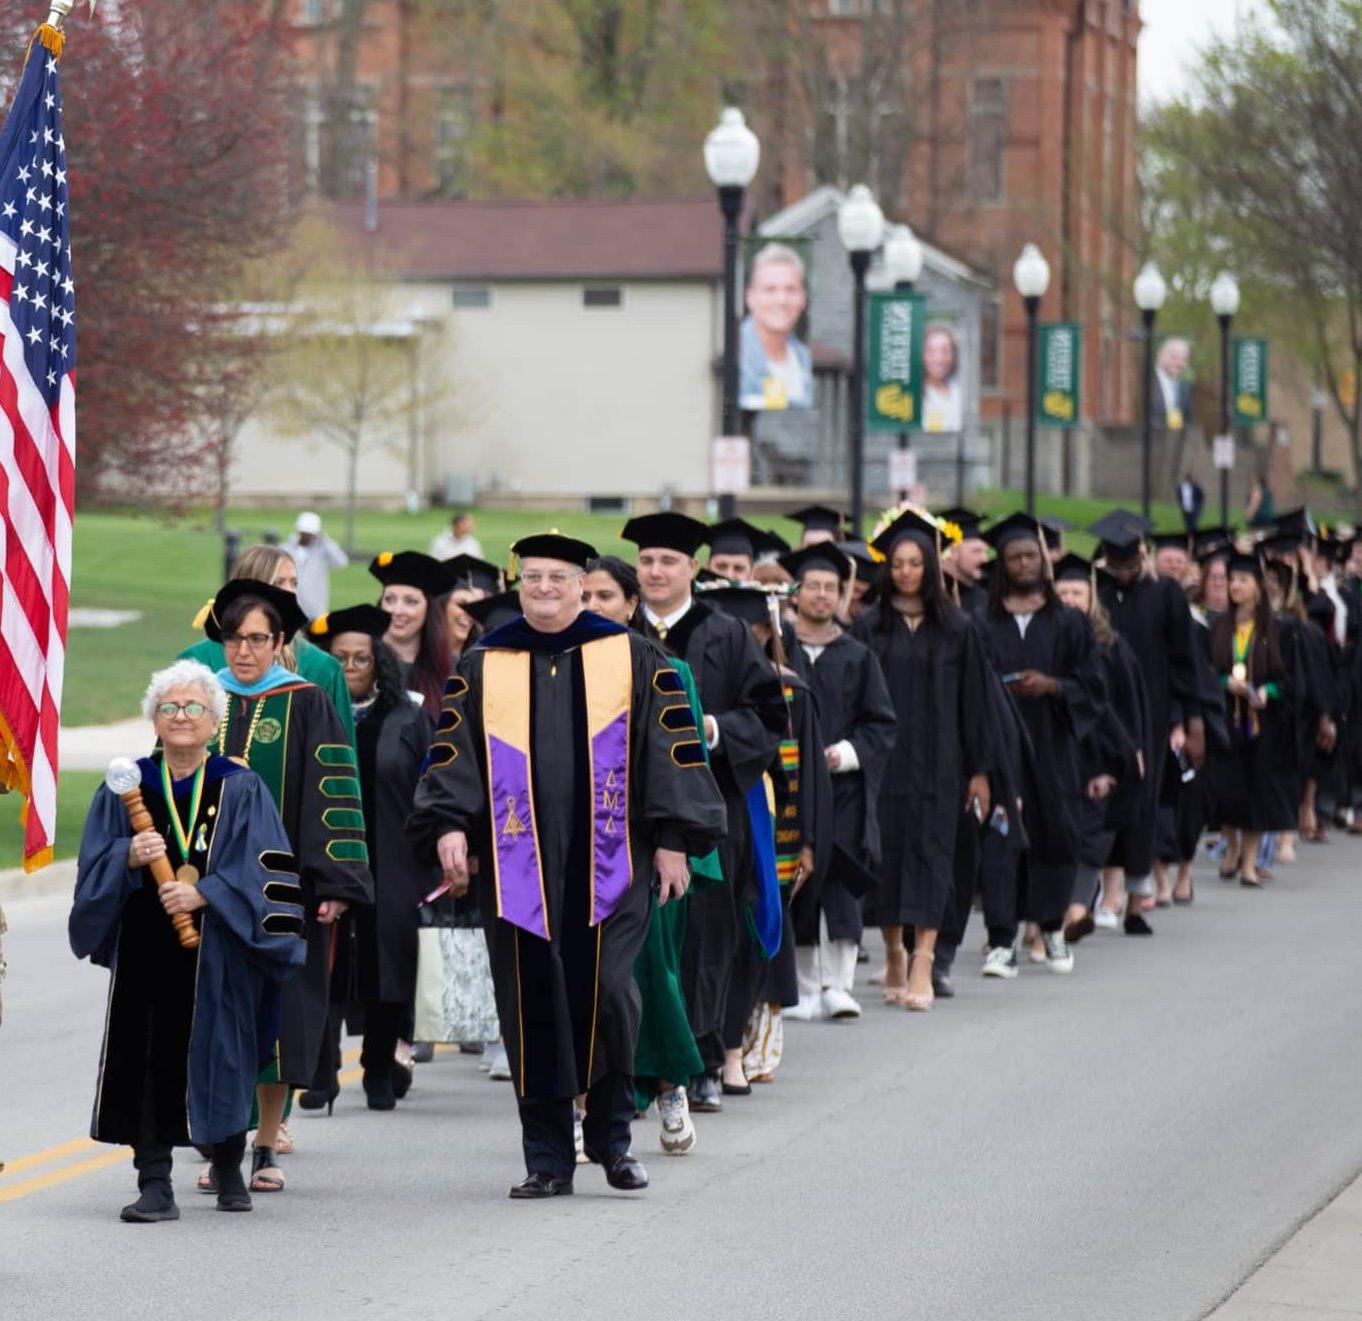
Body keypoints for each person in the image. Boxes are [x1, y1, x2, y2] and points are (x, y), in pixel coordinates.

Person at [407, 533, 727, 1199]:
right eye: (532, 578)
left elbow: (670, 746)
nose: (544, 589)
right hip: (514, 864)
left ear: (583, 585)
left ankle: (612, 1139)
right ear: (519, 584)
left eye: (558, 578)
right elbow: (451, 754)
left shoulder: (633, 655)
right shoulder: (485, 660)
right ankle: (548, 1156)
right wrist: (447, 828)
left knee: (610, 991)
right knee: (531, 1005)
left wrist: (673, 840)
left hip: (612, 866)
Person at [70, 661, 307, 1221]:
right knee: (145, 1056)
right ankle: (154, 1181)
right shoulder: (127, 787)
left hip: (219, 947)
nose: (181, 717)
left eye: (194, 707)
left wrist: (211, 894)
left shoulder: (240, 786)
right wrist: (126, 858)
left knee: (222, 1053)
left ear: (213, 721)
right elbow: (92, 865)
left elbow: (266, 866)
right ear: (154, 717)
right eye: (169, 707)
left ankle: (227, 1164)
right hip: (146, 950)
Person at [202, 578, 374, 1192]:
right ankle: (220, 1142)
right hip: (208, 891)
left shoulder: (305, 702)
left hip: (284, 892)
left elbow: (333, 793)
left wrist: (334, 883)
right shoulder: (202, 700)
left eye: (256, 640)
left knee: (280, 1019)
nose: (243, 652)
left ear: (279, 643)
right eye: (232, 639)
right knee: (215, 1019)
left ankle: (266, 1146)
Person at [622, 511, 785, 1113]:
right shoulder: (616, 633)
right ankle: (643, 1063)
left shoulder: (727, 634)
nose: (657, 571)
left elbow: (770, 718)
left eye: (668, 560)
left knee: (710, 935)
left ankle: (706, 1056)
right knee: (642, 938)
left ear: (694, 567)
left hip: (713, 811)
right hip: (634, 816)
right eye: (647, 561)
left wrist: (714, 728)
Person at [581, 554, 718, 1156]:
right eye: (583, 597)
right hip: (572, 853)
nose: (591, 609)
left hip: (643, 851)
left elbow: (684, 767)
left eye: (604, 597)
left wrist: (675, 844)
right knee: (582, 983)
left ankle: (669, 1087)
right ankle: (588, 1109)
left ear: (633, 605)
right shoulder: (549, 670)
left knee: (648, 976)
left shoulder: (666, 670)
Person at [853, 508, 993, 1011]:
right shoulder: (870, 627)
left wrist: (980, 771)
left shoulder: (958, 629)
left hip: (941, 762)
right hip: (885, 764)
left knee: (934, 858)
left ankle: (923, 960)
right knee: (887, 857)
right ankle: (892, 949)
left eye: (915, 563)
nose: (906, 572)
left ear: (931, 568)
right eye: (898, 563)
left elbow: (976, 704)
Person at [307, 604, 437, 1111]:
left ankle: (380, 1067)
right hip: (329, 859)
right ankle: (321, 1071)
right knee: (327, 965)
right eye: (340, 658)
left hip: (395, 861)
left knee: (388, 968)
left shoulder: (408, 716)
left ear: (378, 662)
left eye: (361, 658)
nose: (351, 667)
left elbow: (431, 786)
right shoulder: (314, 713)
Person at [976, 513, 1105, 976]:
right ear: (1002, 564)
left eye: (1031, 555)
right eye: (1015, 557)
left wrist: (1053, 686)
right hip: (1000, 751)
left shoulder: (1069, 623)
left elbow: (1094, 686)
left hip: (1053, 748)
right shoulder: (983, 623)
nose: (1024, 563)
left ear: (1043, 561)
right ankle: (1001, 941)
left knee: (1056, 835)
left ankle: (1050, 927)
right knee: (1001, 840)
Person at [780, 543, 896, 1021]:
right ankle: (805, 987)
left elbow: (882, 724)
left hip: (842, 791)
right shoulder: (777, 649)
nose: (822, 596)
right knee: (800, 883)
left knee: (841, 888)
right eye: (813, 587)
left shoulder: (857, 655)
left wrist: (845, 754)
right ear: (796, 593)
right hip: (791, 789)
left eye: (830, 588)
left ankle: (839, 985)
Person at [1092, 512, 1199, 936]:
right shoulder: (1096, 592)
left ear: (1143, 555)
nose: (1124, 571)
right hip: (1103, 712)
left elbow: (1183, 661)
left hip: (1150, 716)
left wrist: (1182, 718)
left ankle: (1135, 900)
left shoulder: (1165, 594)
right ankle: (1106, 894)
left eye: (1130, 563)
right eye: (1116, 565)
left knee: (1143, 807)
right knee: (1105, 802)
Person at [181, 543, 355, 745]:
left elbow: (338, 756)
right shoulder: (198, 661)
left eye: (294, 583)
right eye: (279, 582)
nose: (290, 592)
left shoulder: (322, 667)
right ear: (249, 588)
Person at [1207, 554, 1297, 886]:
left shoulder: (1278, 630)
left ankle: (1249, 863)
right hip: (1226, 720)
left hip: (1262, 724)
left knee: (1257, 792)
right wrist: (1223, 683)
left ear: (1258, 587)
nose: (1235, 586)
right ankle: (1231, 848)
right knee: (1227, 791)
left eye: (1243, 580)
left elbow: (1290, 680)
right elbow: (1207, 671)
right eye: (1232, 580)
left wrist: (1266, 692)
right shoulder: (1218, 626)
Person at [368, 550, 452, 719]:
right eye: (390, 599)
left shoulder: (450, 672)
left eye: (410, 602)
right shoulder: (362, 662)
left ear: (428, 610)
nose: (397, 611)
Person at [739, 242, 814, 410]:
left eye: (791, 289)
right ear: (750, 297)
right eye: (770, 290)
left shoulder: (803, 357)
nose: (781, 300)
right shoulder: (733, 354)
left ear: (803, 298)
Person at [282, 512, 348, 619]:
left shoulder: (323, 550)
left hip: (316, 610)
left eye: (310, 533)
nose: (306, 536)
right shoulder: (286, 549)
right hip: (291, 608)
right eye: (304, 532)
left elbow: (341, 562)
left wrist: (327, 541)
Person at [936, 506, 990, 613]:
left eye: (985, 552)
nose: (985, 559)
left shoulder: (985, 596)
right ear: (953, 552)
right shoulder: (933, 597)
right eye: (976, 551)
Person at [922, 324, 964, 433]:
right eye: (931, 352)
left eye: (945, 351)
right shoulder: (913, 395)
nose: (939, 359)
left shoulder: (961, 391)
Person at [1152, 336, 1194, 431]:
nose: (1180, 363)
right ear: (1159, 355)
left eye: (1184, 359)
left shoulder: (1185, 387)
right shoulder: (1144, 382)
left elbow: (1189, 422)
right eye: (1174, 357)